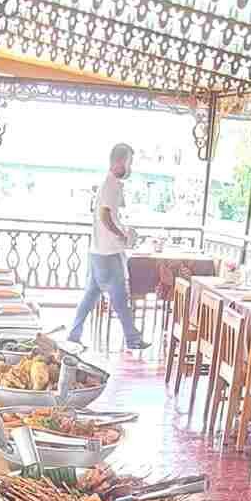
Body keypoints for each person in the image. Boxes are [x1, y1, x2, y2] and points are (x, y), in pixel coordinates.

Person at [67, 141, 149, 353]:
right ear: (120, 162)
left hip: (98, 251)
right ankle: (132, 338)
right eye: (130, 162)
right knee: (120, 299)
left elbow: (106, 215)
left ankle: (73, 335)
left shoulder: (108, 183)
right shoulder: (111, 184)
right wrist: (122, 234)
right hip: (108, 252)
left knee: (90, 296)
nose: (131, 168)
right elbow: (105, 216)